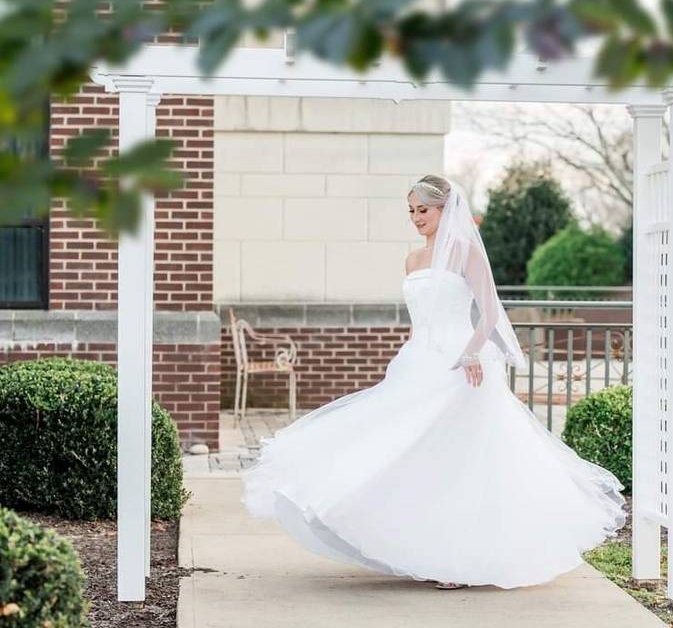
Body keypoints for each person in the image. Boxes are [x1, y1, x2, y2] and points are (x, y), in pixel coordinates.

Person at [241, 174, 627, 590]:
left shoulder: (465, 254)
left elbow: (491, 314)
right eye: (410, 211)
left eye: (422, 210)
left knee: (460, 460)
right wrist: (404, 359)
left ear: (445, 210)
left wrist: (472, 352)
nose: (415, 218)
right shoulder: (411, 260)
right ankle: (417, 548)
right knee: (406, 454)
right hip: (419, 361)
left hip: (462, 365)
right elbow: (418, 322)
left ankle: (460, 561)